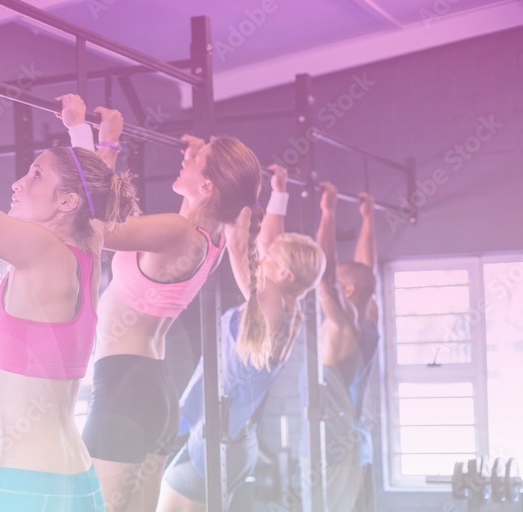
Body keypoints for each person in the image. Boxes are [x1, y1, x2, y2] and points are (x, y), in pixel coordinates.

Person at [0, 49, 141, 512]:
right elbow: (91, 194)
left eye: (34, 174)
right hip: (70, 477)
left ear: (64, 205)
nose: (18, 183)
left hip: (35, 487)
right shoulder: (84, 252)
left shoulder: (44, 253)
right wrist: (95, 137)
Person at [57, 95, 264, 511]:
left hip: (123, 389)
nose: (183, 162)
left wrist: (98, 139)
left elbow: (90, 227)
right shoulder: (211, 238)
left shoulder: (177, 232)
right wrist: (198, 155)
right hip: (153, 391)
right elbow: (199, 206)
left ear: (207, 187)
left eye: (194, 161)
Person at [158, 171, 327, 511]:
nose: (262, 256)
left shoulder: (268, 306)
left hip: (218, 447)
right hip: (232, 444)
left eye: (269, 258)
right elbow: (271, 242)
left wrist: (231, 190)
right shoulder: (283, 307)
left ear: (283, 274)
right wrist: (278, 194)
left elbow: (238, 245)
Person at [312, 183, 380, 512]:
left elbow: (323, 277)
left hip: (334, 450)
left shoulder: (344, 325)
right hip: (357, 446)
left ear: (348, 291)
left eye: (343, 286)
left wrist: (328, 212)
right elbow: (368, 273)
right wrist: (368, 221)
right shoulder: (369, 317)